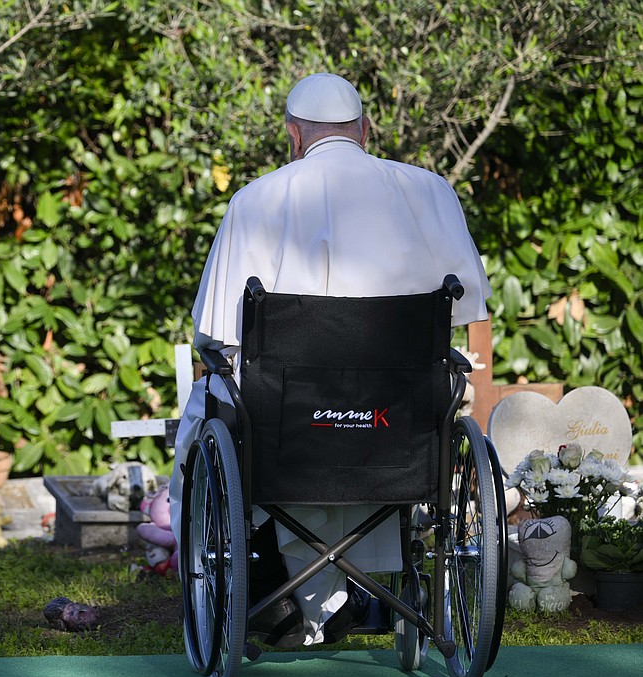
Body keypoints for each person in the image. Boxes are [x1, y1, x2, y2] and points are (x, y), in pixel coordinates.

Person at [169, 72, 492, 646]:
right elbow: (471, 309)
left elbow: (215, 336)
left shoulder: (255, 201)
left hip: (290, 437)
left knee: (207, 406)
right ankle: (345, 595)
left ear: (293, 136)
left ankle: (271, 587)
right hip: (398, 431)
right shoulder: (430, 192)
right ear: (367, 130)